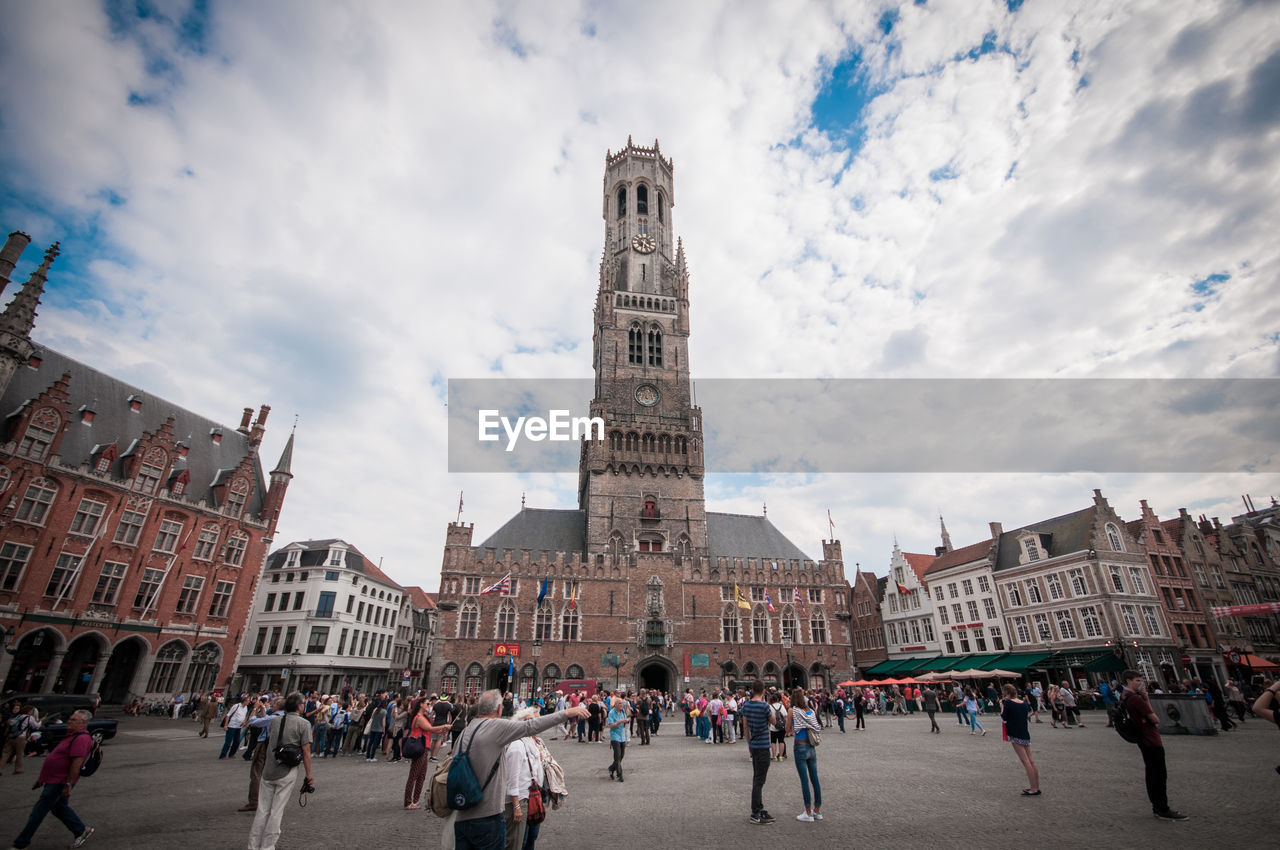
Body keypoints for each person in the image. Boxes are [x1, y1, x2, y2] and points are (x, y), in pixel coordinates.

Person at [453, 689, 588, 850]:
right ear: (499, 709)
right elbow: (531, 726)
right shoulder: (495, 728)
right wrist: (567, 712)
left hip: (462, 814)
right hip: (487, 816)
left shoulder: (464, 734)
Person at [9, 709, 95, 849]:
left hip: (60, 782)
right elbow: (57, 759)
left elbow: (76, 763)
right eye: (70, 718)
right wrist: (43, 778)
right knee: (59, 808)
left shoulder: (81, 738)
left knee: (38, 812)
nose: (69, 721)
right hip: (53, 779)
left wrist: (68, 784)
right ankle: (81, 830)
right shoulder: (71, 735)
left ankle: (20, 844)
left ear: (83, 723)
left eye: (74, 719)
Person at [247, 692, 314, 850]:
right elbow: (306, 752)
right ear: (299, 706)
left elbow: (256, 723)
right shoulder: (303, 724)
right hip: (287, 771)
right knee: (276, 811)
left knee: (262, 811)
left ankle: (253, 846)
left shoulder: (275, 721)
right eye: (302, 703)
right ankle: (268, 846)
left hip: (269, 770)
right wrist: (309, 774)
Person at [1121, 669, 1187, 821]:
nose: (1140, 683)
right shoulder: (1135, 699)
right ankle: (1162, 808)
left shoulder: (1125, 696)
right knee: (1158, 775)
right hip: (1150, 739)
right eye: (1137, 680)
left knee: (1152, 773)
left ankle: (1158, 806)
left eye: (1140, 680)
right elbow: (1155, 718)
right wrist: (1146, 700)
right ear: (1128, 681)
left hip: (1141, 738)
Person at [739, 680, 777, 825]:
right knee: (759, 780)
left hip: (754, 746)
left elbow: (745, 727)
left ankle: (759, 809)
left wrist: (749, 744)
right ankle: (755, 812)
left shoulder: (746, 706)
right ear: (763, 691)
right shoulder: (764, 706)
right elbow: (773, 722)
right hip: (763, 746)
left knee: (757, 777)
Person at [240, 696, 286, 812]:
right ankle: (268, 799)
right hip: (276, 747)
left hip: (264, 745)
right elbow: (266, 720)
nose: (272, 706)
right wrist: (264, 709)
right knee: (270, 773)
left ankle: (254, 801)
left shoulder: (274, 718)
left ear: (278, 706)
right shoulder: (284, 717)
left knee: (256, 772)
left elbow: (254, 721)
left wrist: (255, 709)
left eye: (274, 705)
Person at [404, 699, 450, 809]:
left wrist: (441, 731)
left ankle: (415, 800)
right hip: (418, 747)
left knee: (422, 775)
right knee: (414, 775)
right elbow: (430, 728)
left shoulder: (423, 717)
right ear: (421, 705)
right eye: (427, 704)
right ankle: (408, 802)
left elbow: (429, 731)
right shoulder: (419, 718)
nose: (429, 705)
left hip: (424, 747)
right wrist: (444, 726)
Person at [787, 688, 823, 822]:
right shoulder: (811, 711)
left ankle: (808, 813)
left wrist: (791, 727)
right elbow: (817, 727)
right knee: (815, 779)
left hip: (800, 745)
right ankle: (817, 811)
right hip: (811, 746)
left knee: (804, 780)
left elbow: (787, 728)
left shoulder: (792, 710)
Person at [1000, 684, 1040, 797]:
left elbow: (1004, 717)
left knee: (1026, 762)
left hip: (1015, 733)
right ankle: (1036, 786)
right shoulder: (1023, 703)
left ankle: (1033, 789)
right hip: (1025, 733)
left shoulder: (1008, 703)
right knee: (1031, 761)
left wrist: (1002, 706)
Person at [3, 704, 38, 775]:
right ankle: (18, 768)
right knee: (19, 753)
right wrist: (40, 721)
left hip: (11, 737)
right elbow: (35, 726)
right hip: (21, 737)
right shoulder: (29, 717)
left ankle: (0, 768)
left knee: (5, 754)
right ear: (29, 711)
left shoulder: (18, 716)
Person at [219, 694, 251, 759]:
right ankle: (223, 755)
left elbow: (244, 716)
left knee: (236, 741)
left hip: (238, 727)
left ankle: (232, 754)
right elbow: (228, 715)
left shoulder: (246, 708)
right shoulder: (236, 706)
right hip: (232, 726)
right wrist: (226, 725)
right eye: (248, 701)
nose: (249, 702)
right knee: (228, 742)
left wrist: (244, 722)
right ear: (244, 701)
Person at [605, 695, 628, 781]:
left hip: (622, 736)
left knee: (621, 755)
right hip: (615, 737)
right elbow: (611, 726)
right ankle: (619, 775)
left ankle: (611, 768)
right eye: (619, 703)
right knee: (617, 756)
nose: (621, 705)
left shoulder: (623, 712)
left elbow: (624, 721)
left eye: (622, 703)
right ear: (615, 704)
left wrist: (626, 721)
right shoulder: (611, 713)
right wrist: (620, 722)